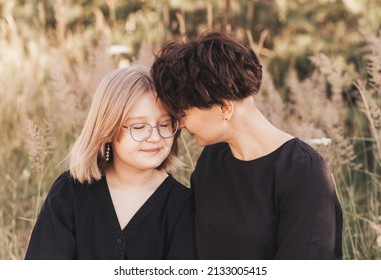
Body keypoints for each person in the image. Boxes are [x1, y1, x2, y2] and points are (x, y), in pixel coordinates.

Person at [151, 31, 343, 260]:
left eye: (183, 113)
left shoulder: (304, 173)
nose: (180, 124)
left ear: (224, 107)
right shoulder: (212, 160)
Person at [25, 65, 196, 260]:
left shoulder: (182, 205)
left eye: (164, 124)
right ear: (108, 130)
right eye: (139, 127)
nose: (155, 137)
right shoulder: (70, 193)